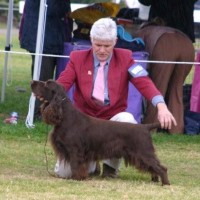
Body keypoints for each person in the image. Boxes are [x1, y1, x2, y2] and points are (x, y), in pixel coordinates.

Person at [55, 18, 177, 179]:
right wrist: (48, 93)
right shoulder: (77, 58)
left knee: (127, 120)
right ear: (91, 41)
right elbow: (63, 83)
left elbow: (144, 83)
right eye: (98, 45)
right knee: (64, 173)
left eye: (107, 46)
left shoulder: (126, 58)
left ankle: (110, 168)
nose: (102, 50)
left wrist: (161, 105)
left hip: (113, 119)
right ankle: (92, 165)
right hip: (85, 124)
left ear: (115, 42)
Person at [19, 0, 72, 120]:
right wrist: (65, 9)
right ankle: (37, 113)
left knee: (43, 77)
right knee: (43, 79)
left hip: (46, 37)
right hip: (44, 39)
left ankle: (41, 111)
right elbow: (54, 9)